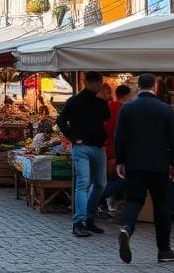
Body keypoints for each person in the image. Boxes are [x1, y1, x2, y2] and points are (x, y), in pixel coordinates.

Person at [115, 73, 174, 264]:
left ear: (138, 87)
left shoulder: (127, 109)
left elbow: (120, 137)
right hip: (159, 165)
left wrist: (120, 161)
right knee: (161, 205)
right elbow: (173, 138)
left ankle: (126, 228)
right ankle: (164, 250)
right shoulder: (165, 109)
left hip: (134, 164)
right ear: (155, 87)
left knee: (134, 200)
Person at [57, 70, 110, 237]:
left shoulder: (100, 102)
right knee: (84, 183)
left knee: (100, 183)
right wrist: (73, 139)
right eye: (97, 83)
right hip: (83, 148)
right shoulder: (74, 101)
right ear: (88, 83)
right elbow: (60, 121)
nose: (99, 85)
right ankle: (78, 222)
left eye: (100, 83)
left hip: (98, 148)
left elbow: (106, 119)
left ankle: (88, 218)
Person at [101, 84, 133, 215]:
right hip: (116, 150)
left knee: (110, 179)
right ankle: (98, 199)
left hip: (106, 149)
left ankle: (104, 203)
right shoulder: (124, 109)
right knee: (122, 178)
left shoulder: (109, 107)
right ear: (127, 96)